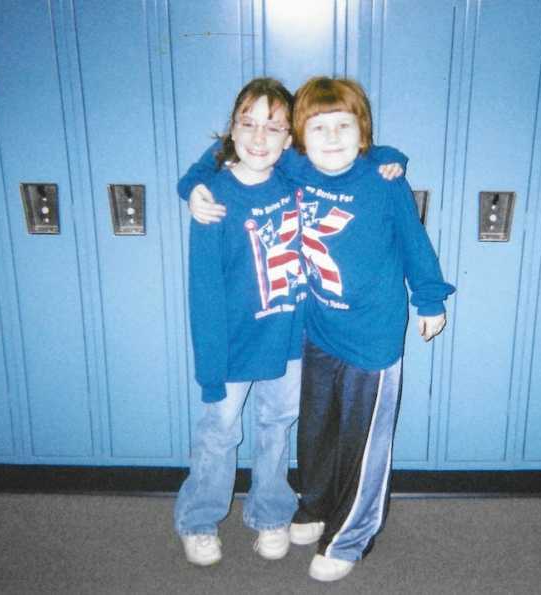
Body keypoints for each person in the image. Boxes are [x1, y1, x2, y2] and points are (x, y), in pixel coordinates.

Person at [193, 76, 455, 582]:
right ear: (299, 138)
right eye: (318, 128)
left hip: (372, 338)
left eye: (344, 126)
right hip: (319, 330)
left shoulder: (383, 179)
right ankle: (313, 507)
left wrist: (429, 298)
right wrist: (193, 188)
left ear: (363, 134)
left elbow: (413, 239)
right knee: (316, 434)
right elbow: (231, 151)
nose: (331, 138)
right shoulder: (295, 168)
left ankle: (351, 536)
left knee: (362, 442)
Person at [173, 77, 304, 567]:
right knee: (219, 431)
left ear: (289, 140)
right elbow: (203, 291)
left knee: (277, 426)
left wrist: (388, 163)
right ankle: (199, 519)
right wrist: (210, 365)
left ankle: (270, 511)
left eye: (273, 127)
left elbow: (348, 155)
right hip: (231, 344)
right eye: (247, 123)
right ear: (231, 130)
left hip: (288, 337)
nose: (258, 137)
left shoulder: (295, 181)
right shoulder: (213, 199)